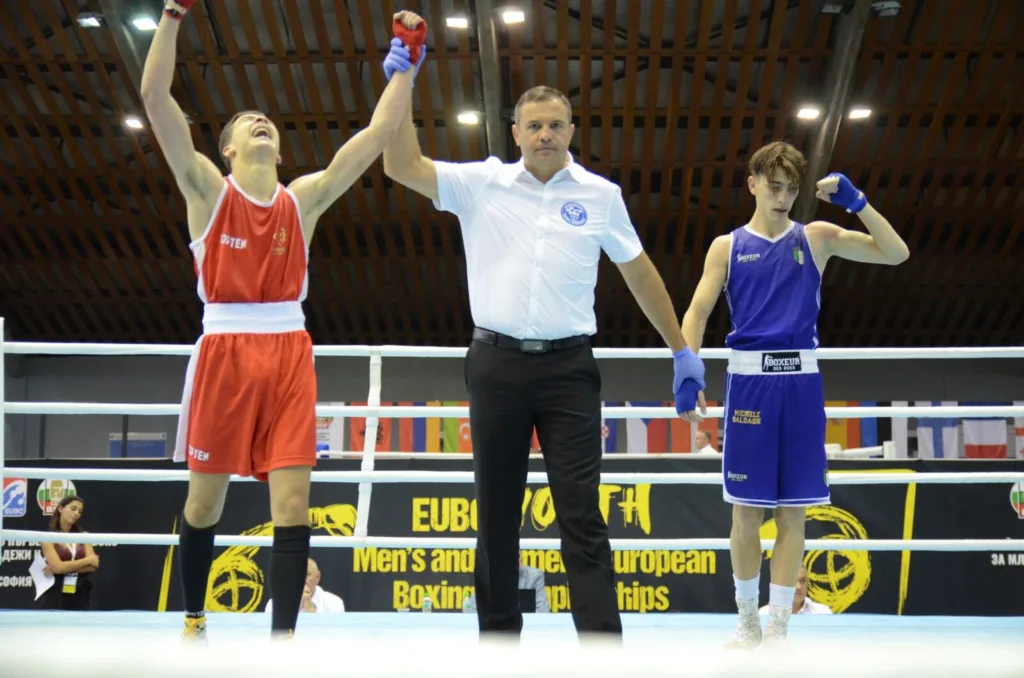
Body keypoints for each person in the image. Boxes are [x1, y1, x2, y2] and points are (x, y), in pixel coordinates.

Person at [141, 1, 426, 639]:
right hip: (225, 350)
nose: (261, 121)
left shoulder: (303, 200)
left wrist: (406, 66)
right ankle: (194, 622)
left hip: (290, 351)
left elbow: (377, 136)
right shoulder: (207, 190)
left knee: (294, 504)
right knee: (203, 505)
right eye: (248, 122)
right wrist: (172, 13)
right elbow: (155, 97)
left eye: (266, 120)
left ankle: (284, 640)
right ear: (228, 149)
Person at [382, 84, 704, 639]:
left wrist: (680, 349)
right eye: (534, 126)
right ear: (516, 134)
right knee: (496, 516)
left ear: (572, 130)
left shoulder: (601, 195)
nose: (545, 135)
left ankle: (602, 652)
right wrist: (404, 81)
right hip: (495, 364)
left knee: (581, 514)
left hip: (569, 371)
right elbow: (399, 165)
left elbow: (638, 271)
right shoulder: (482, 183)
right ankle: (498, 650)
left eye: (555, 124)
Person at [679, 141, 909, 647]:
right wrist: (687, 365)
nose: (782, 198)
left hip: (802, 385)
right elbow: (696, 311)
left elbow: (897, 253)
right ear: (753, 184)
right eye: (774, 187)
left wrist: (859, 204)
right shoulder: (727, 246)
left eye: (790, 189)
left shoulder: (817, 236)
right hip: (749, 386)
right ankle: (747, 621)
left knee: (793, 513)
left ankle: (779, 627)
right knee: (745, 513)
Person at [39, 495, 99, 611]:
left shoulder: (84, 536)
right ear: (60, 509)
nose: (76, 513)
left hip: (80, 589)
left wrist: (63, 567)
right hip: (55, 590)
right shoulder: (47, 537)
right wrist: (87, 560)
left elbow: (93, 565)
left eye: (80, 511)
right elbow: (58, 568)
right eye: (73, 509)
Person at [265, 558, 345, 614]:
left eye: (306, 574)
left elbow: (335, 633)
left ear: (317, 577)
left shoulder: (334, 603)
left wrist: (309, 610)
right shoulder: (274, 603)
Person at [759, 565, 832, 616]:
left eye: (802, 581)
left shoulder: (823, 613)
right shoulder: (765, 614)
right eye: (792, 581)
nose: (799, 587)